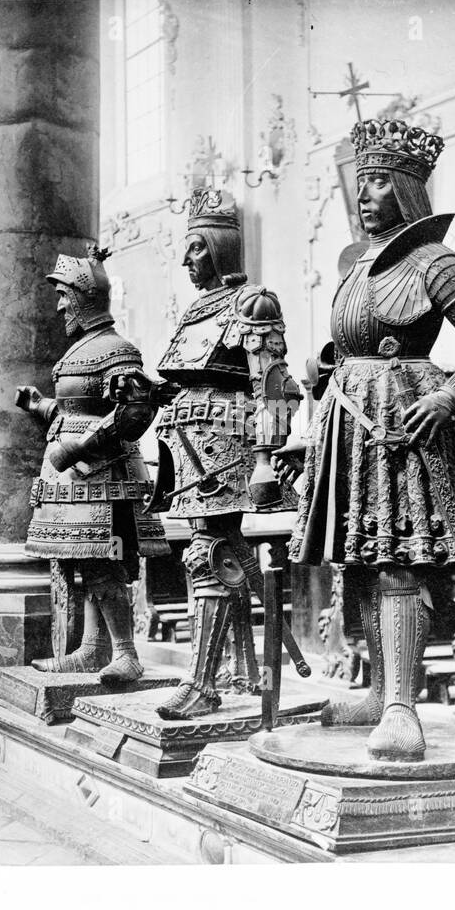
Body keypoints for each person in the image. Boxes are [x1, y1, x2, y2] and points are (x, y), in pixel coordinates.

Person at [274, 118, 455, 762]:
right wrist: (320, 413)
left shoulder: (434, 261)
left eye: (379, 182)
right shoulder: (358, 264)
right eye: (360, 183)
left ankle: (402, 708)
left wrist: (447, 396)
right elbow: (347, 354)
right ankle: (376, 691)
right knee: (355, 562)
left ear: (408, 190)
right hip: (350, 422)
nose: (364, 195)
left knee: (396, 562)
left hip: (400, 423)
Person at [120, 188, 301, 720]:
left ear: (219, 248)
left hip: (228, 449)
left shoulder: (253, 303)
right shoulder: (197, 310)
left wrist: (267, 460)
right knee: (224, 554)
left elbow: (271, 384)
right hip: (186, 448)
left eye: (196, 247)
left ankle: (202, 686)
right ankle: (240, 672)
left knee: (208, 555)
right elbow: (190, 382)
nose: (185, 260)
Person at [16, 247, 167, 683]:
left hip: (106, 479)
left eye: (64, 295)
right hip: (75, 482)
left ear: (83, 295)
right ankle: (90, 650)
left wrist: (79, 448)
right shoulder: (83, 347)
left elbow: (135, 414)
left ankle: (125, 654)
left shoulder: (117, 350)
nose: (60, 304)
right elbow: (76, 412)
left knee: (103, 565)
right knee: (85, 562)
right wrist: (40, 405)